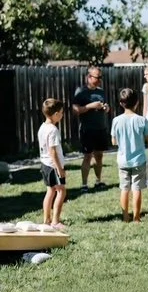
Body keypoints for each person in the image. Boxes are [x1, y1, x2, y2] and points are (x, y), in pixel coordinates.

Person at [111, 88, 148, 223]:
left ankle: (125, 217)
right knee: (137, 189)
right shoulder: (142, 120)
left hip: (123, 161)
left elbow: (113, 141)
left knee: (124, 188)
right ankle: (136, 217)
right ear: (137, 103)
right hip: (139, 160)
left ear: (121, 103)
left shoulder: (116, 120)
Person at [72, 67, 110, 194]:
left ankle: (98, 181)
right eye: (96, 77)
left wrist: (106, 108)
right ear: (89, 77)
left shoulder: (101, 92)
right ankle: (84, 184)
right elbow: (75, 110)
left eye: (100, 77)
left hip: (101, 128)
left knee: (99, 156)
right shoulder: (81, 92)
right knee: (88, 156)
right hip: (87, 129)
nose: (99, 80)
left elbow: (106, 107)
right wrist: (90, 106)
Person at [38, 98, 67, 230]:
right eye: (61, 112)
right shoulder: (53, 130)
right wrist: (59, 168)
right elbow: (53, 151)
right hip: (53, 165)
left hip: (44, 164)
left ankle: (46, 219)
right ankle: (55, 221)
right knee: (61, 191)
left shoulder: (42, 127)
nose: (62, 114)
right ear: (55, 114)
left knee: (50, 191)